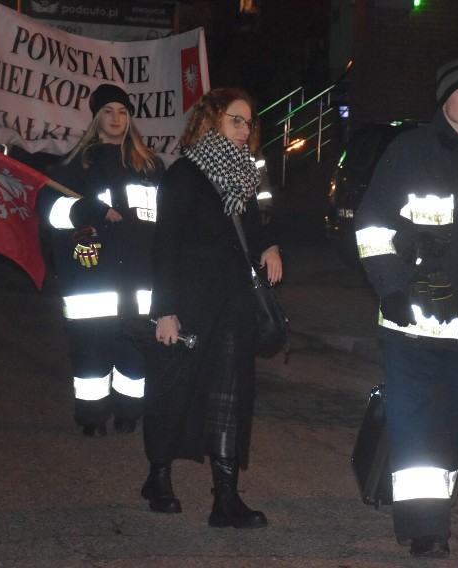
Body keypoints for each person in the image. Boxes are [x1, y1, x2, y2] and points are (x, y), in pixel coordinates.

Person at [353, 58, 458, 559]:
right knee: (416, 423)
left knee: (454, 424)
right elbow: (372, 225)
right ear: (444, 99)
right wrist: (392, 287)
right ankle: (426, 527)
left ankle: (435, 509)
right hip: (413, 319)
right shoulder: (409, 150)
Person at [144, 88, 282, 528]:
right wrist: (164, 310)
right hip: (189, 306)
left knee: (230, 399)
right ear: (211, 121)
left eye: (249, 122)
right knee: (175, 392)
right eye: (235, 121)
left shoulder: (242, 173)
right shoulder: (184, 175)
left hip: (233, 305)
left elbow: (248, 227)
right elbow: (164, 248)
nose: (245, 130)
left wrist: (270, 244)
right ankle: (159, 476)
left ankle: (226, 500)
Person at [37, 83, 165, 437]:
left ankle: (129, 411)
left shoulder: (151, 166)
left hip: (140, 278)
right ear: (96, 118)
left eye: (123, 112)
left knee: (135, 352)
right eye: (108, 111)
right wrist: (83, 210)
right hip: (92, 280)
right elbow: (48, 211)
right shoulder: (75, 166)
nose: (116, 118)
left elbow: (168, 219)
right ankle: (92, 417)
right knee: (90, 354)